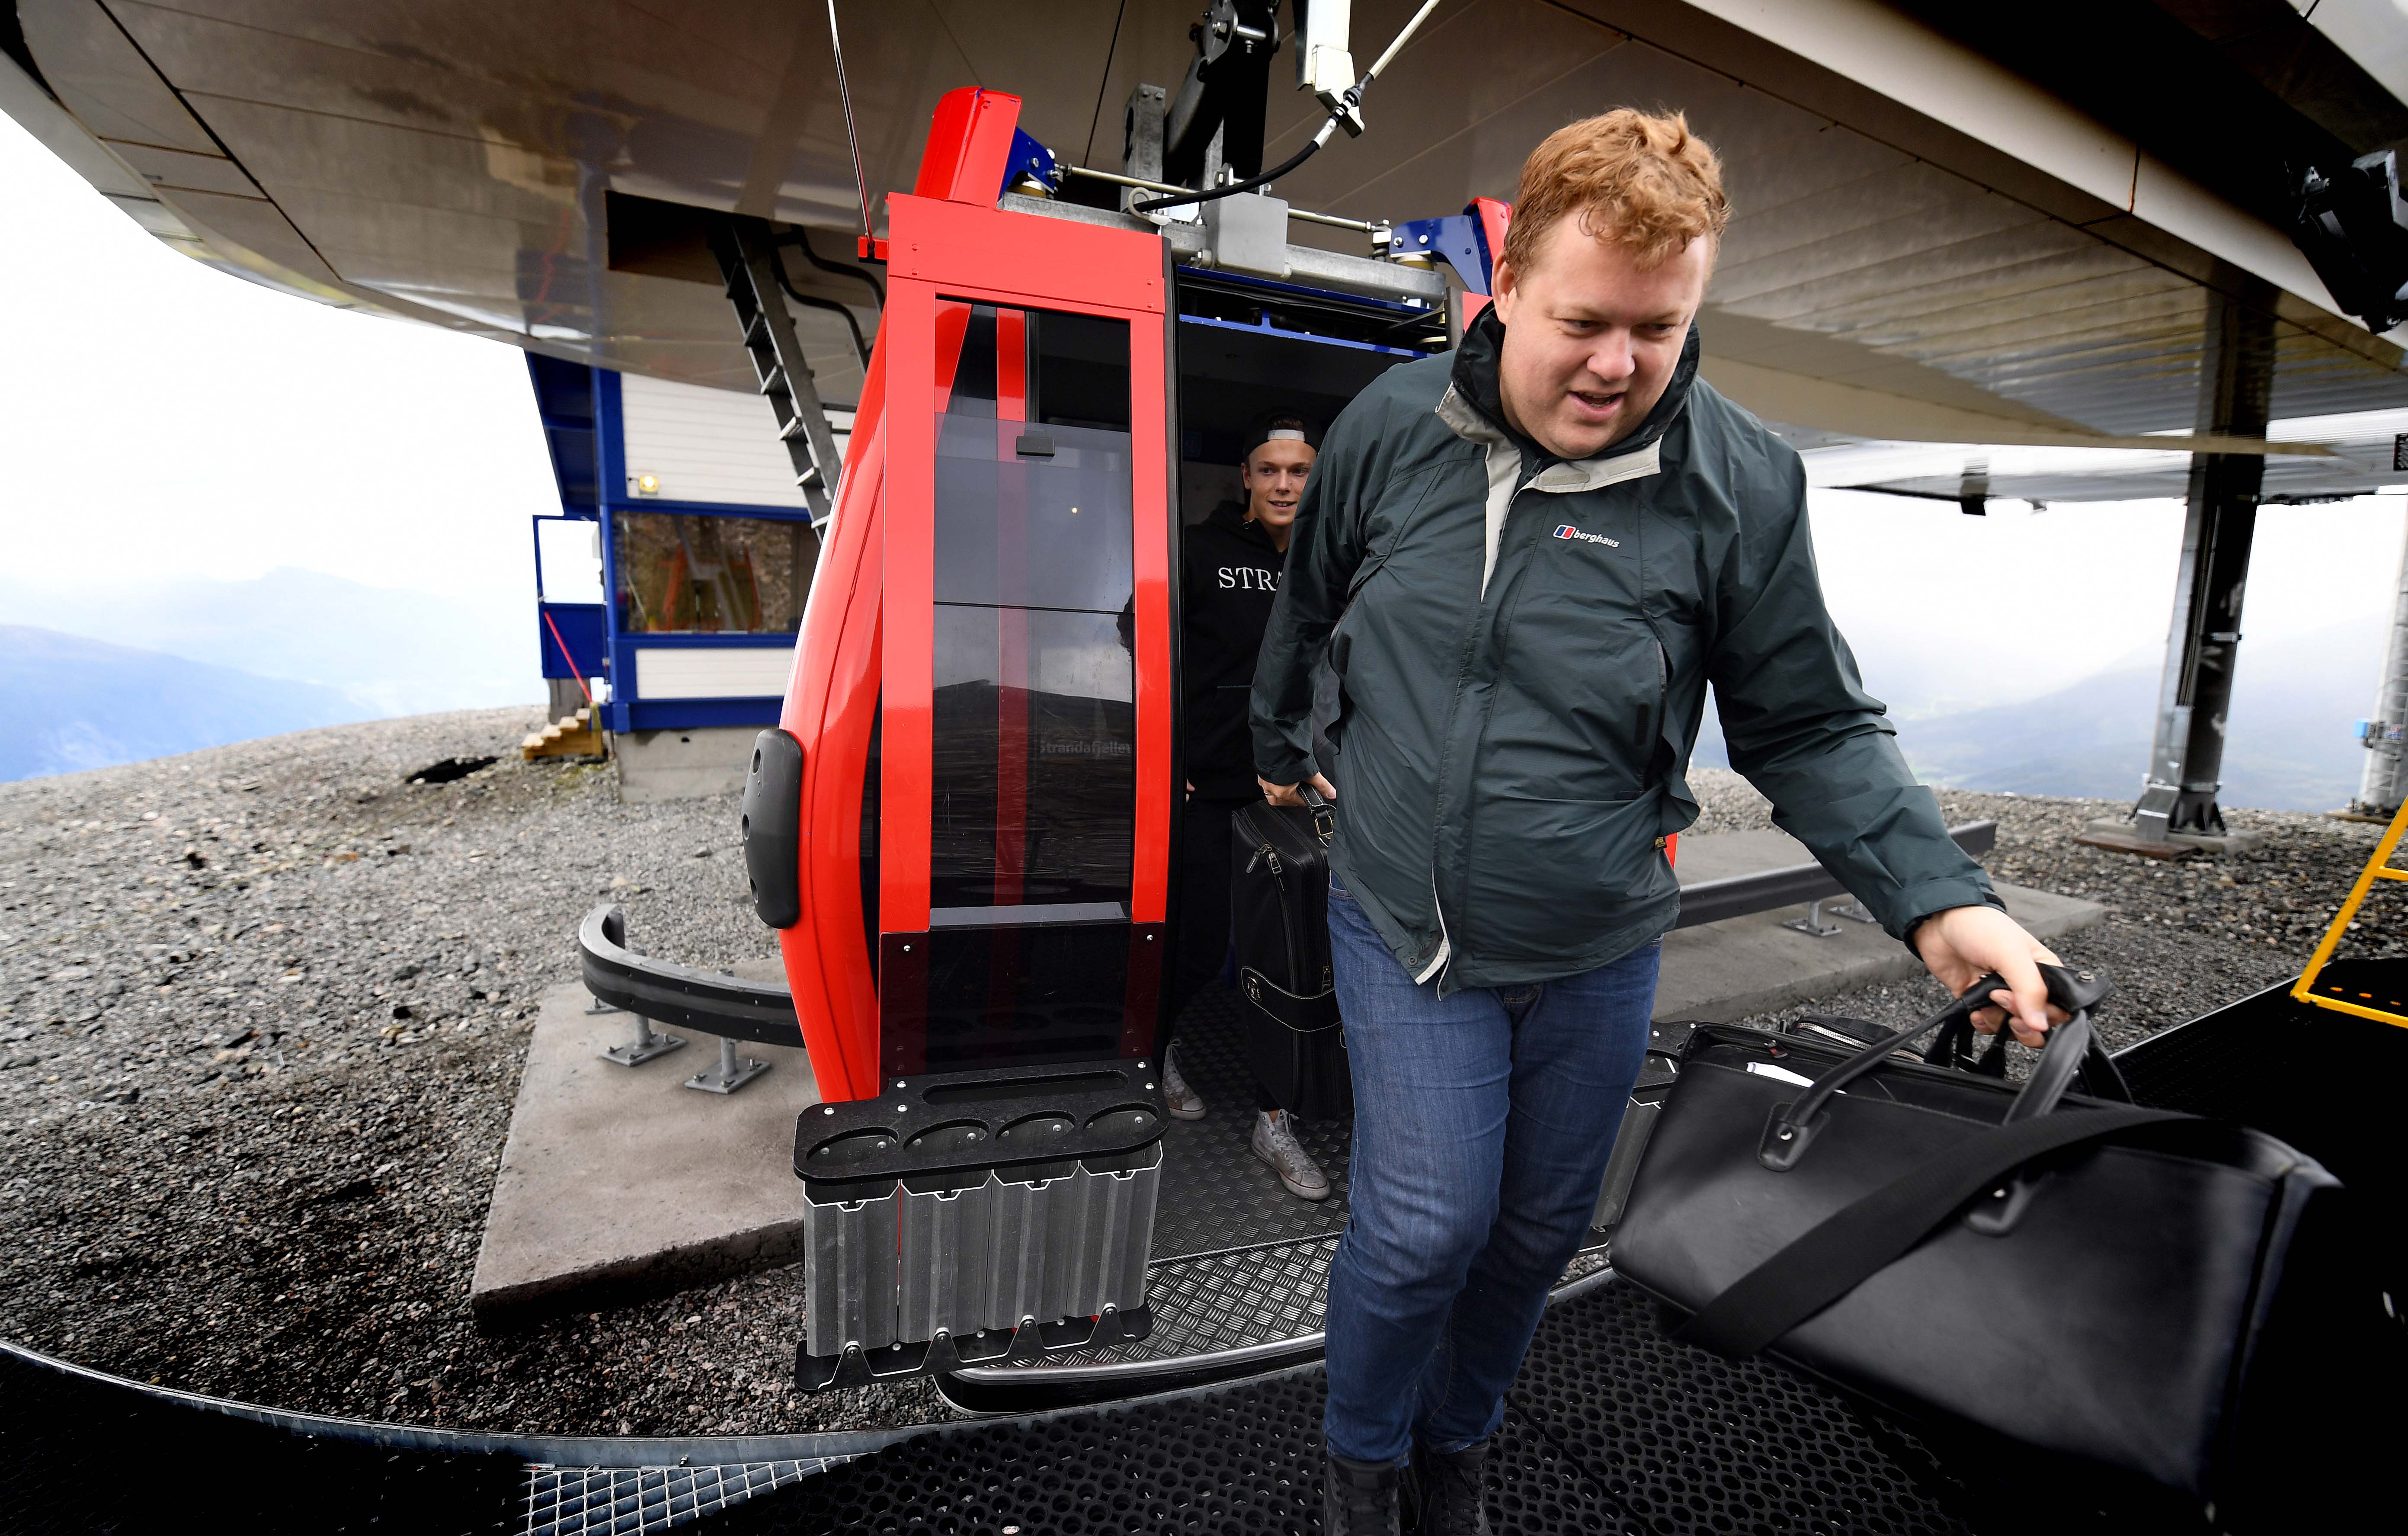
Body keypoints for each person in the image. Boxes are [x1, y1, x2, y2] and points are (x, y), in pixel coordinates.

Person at [1249, 110, 2073, 1536]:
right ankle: (1358, 1470)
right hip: (1407, 921)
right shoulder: (1389, 428)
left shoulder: (1737, 479)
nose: (1617, 366)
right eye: (1581, 321)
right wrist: (1277, 740)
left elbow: (1807, 721)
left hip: (1597, 936)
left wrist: (1939, 898)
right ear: (1501, 282)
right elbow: (1309, 608)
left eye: (1657, 328)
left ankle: (1459, 1453)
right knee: (1423, 1229)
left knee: (1535, 1234)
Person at [1160, 411, 1334, 1203]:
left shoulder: (1332, 558)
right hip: (1217, 784)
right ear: (1246, 478)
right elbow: (1144, 641)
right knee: (1200, 946)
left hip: (1304, 786)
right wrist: (1176, 756)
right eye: (1271, 470)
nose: (1285, 484)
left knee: (1293, 960)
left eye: (1300, 471)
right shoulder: (1201, 550)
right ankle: (1157, 1049)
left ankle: (1275, 1120)